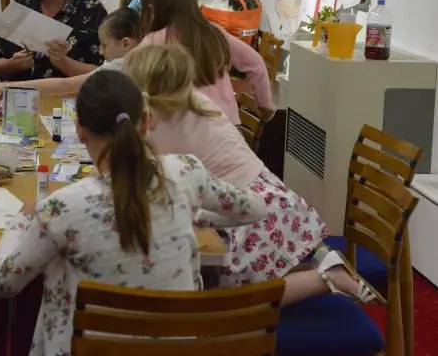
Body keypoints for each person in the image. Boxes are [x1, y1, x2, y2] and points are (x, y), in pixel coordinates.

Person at [0, 70, 267, 355]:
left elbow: (3, 283)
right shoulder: (186, 171)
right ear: (145, 122)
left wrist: (22, 219)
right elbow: (255, 208)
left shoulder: (61, 208)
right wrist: (190, 211)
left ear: (79, 128)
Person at [122, 44, 384, 306]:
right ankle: (320, 267)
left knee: (231, 302)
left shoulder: (160, 122)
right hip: (269, 200)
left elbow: (145, 175)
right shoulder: (192, 101)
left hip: (249, 213)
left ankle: (326, 278)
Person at [137, 0, 274, 125]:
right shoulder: (214, 31)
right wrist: (265, 106)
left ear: (151, 9)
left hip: (187, 134)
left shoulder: (153, 42)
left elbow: (131, 86)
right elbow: (256, 63)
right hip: (228, 129)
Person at [0, 7, 139, 99]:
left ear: (126, 43)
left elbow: (65, 85)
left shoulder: (121, 65)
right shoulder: (136, 58)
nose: (100, 51)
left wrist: (6, 87)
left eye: (104, 46)